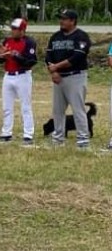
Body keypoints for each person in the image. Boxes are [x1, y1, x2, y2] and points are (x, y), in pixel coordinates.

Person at [46, 9, 92, 148]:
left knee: (78, 109)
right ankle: (58, 138)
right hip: (58, 78)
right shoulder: (55, 36)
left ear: (72, 21)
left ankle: (83, 140)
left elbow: (77, 57)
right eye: (61, 18)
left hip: (75, 76)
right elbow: (48, 57)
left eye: (65, 19)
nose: (61, 21)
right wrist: (53, 72)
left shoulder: (81, 36)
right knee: (58, 110)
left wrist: (56, 67)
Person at [0, 18, 37, 145]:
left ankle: (28, 134)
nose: (13, 31)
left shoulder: (29, 42)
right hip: (8, 75)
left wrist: (16, 56)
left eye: (16, 29)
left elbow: (31, 61)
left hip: (22, 75)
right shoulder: (7, 41)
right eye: (12, 28)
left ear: (22, 30)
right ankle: (6, 132)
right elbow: (1, 59)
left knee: (25, 106)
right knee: (7, 106)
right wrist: (1, 55)